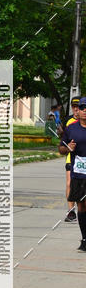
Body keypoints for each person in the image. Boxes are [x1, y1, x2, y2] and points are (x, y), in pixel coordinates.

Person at [59, 96, 86, 250]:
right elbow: (61, 149)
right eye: (82, 108)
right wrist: (68, 147)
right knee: (81, 206)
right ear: (79, 110)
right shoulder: (72, 128)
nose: (84, 111)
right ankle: (84, 238)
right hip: (78, 173)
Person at [64, 96, 80, 222]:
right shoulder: (68, 121)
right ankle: (70, 211)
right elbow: (63, 140)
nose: (75, 109)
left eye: (78, 106)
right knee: (70, 183)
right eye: (73, 106)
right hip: (72, 158)